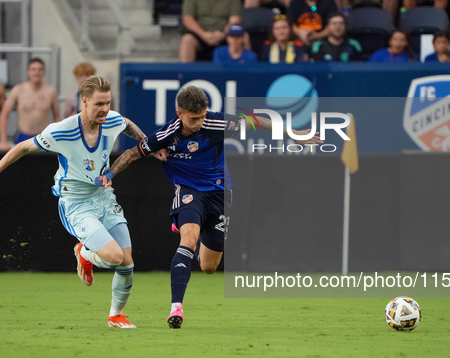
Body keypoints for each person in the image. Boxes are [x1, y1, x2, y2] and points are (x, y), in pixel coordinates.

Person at [95, 86, 322, 329]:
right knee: (188, 240)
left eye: (203, 116)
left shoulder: (217, 123)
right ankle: (176, 308)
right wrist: (109, 174)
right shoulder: (165, 135)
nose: (200, 122)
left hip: (220, 193)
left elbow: (258, 121)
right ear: (179, 113)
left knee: (209, 266)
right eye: (194, 118)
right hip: (188, 190)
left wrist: (292, 133)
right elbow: (131, 154)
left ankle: (191, 226)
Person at [0, 76, 152, 329]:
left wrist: (147, 142)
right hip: (76, 203)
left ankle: (115, 316)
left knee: (127, 263)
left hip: (104, 197)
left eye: (108, 103)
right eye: (99, 103)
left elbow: (127, 124)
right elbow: (23, 147)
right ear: (84, 101)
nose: (105, 109)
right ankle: (84, 253)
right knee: (114, 257)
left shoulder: (112, 118)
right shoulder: (62, 130)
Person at [0, 58, 61, 150]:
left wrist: (57, 139)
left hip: (43, 138)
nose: (37, 72)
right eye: (33, 69)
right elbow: (4, 114)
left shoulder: (51, 91)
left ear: (44, 72)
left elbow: (57, 118)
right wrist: (3, 140)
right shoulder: (18, 90)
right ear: (28, 72)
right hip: (22, 136)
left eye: (40, 69)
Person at [179, 0, 243, 62]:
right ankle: (185, 72)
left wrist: (223, 34)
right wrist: (203, 35)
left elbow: (235, 20)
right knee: (187, 39)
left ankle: (245, 70)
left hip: (225, 35)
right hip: (199, 35)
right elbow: (187, 19)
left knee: (243, 38)